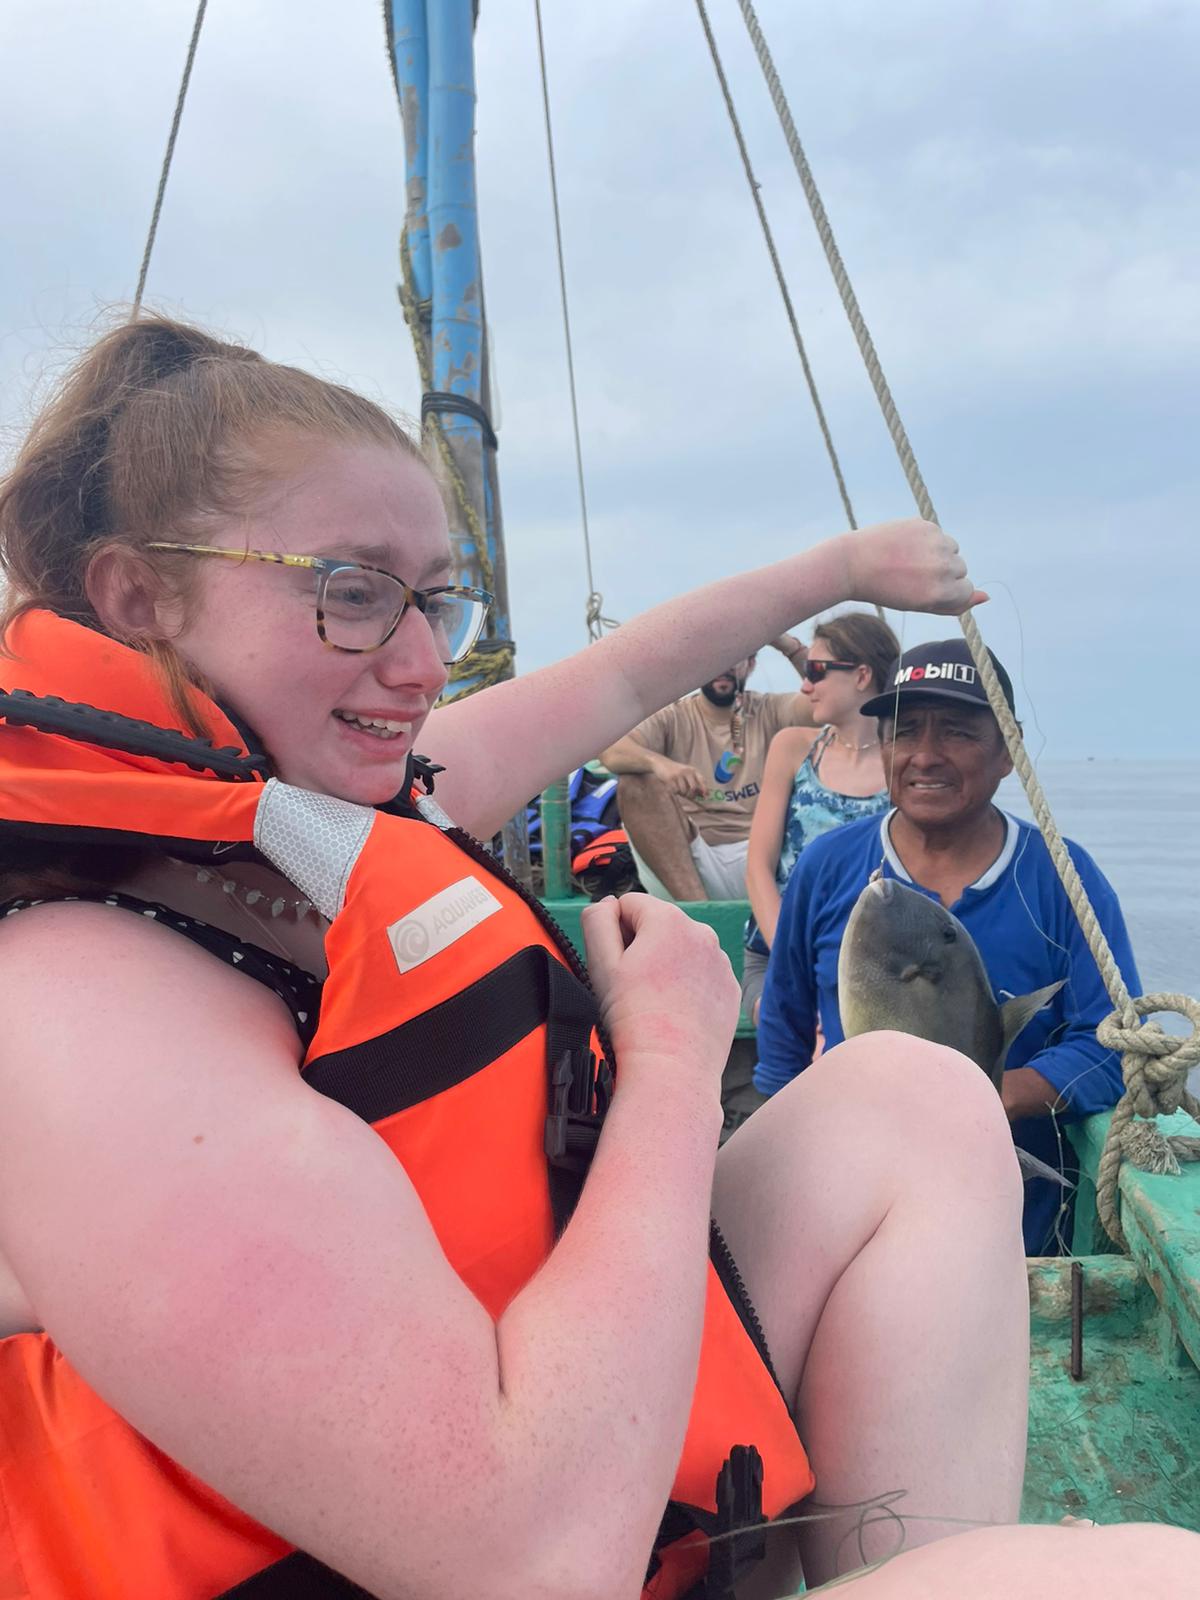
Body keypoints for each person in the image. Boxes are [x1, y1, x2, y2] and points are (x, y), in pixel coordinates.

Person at [0, 318, 1188, 1600]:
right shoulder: (87, 1004)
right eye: (348, 590)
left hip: (564, 1396)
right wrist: (675, 1056)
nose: (414, 662)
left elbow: (625, 667)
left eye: (432, 599)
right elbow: (530, 1566)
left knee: (920, 1097)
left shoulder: (334, 814)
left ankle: (918, 1564)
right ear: (137, 597)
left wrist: (844, 566)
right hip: (511, 1542)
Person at [753, 638, 1136, 1256]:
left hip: (1015, 1230)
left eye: (957, 733)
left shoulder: (1063, 877)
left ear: (1007, 752)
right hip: (850, 1213)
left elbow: (1112, 1043)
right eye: (905, 733)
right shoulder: (828, 866)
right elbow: (784, 1029)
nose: (925, 756)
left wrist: (993, 1097)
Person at [741, 611, 899, 1024]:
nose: (805, 685)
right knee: (798, 1034)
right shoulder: (792, 748)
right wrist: (794, 958)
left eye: (816, 671)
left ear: (862, 675)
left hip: (877, 970)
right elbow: (758, 868)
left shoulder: (906, 764)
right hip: (779, 957)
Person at [597, 638, 810, 901]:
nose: (723, 667)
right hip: (691, 868)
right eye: (713, 659)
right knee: (636, 784)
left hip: (769, 861)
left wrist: (788, 645)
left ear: (751, 664)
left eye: (734, 657)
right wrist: (660, 764)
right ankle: (700, 916)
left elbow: (828, 702)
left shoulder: (772, 710)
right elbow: (611, 750)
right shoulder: (674, 716)